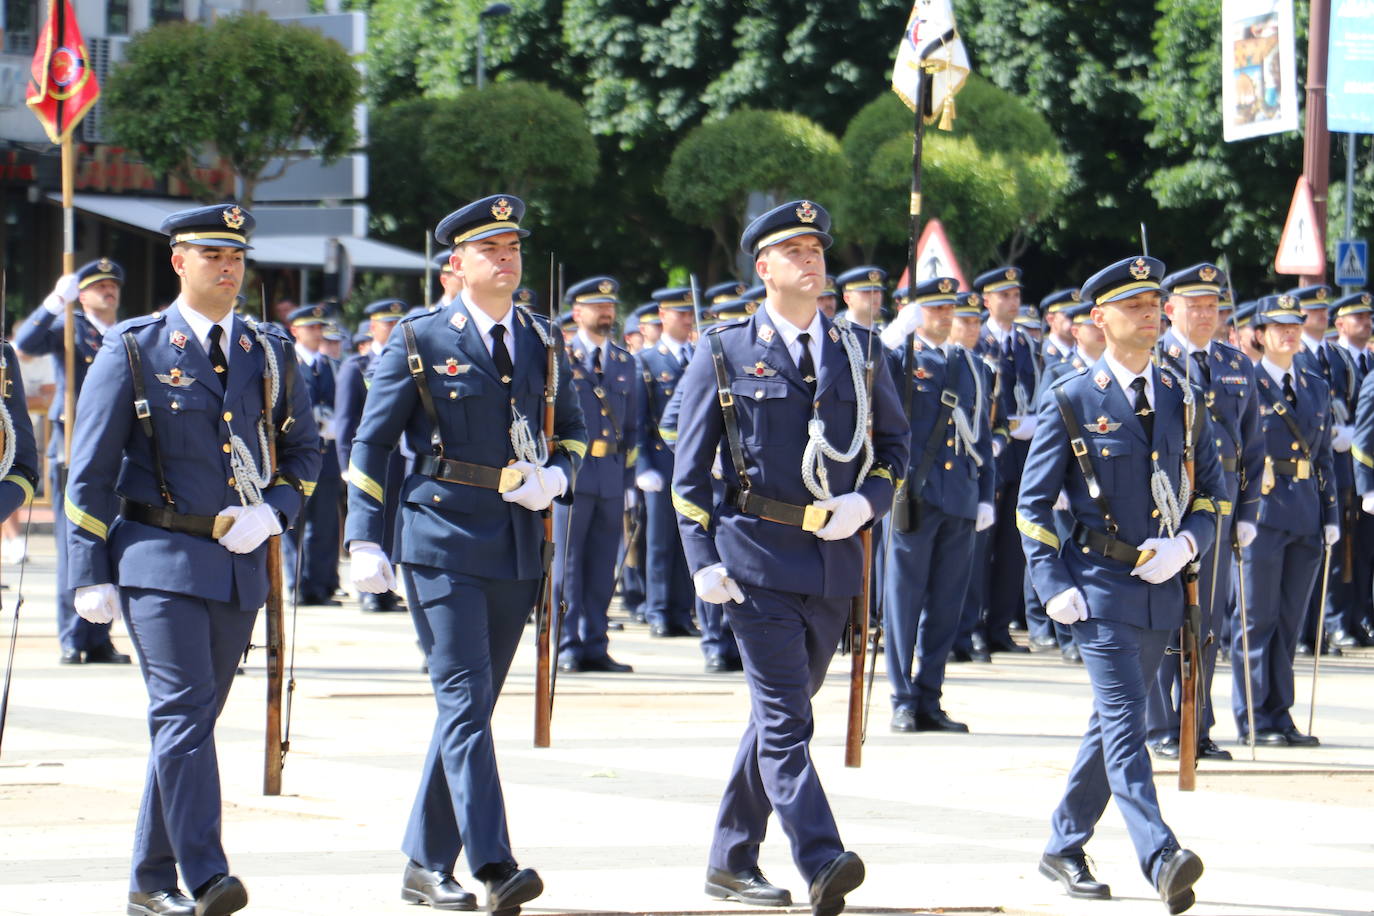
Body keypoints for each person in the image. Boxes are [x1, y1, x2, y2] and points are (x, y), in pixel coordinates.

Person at [64, 203, 320, 916]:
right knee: (180, 714)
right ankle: (207, 875)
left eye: (236, 255)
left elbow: (304, 450)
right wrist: (88, 570)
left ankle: (150, 883)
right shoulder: (135, 346)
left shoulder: (268, 351)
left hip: (238, 563)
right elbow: (87, 470)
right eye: (212, 254)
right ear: (180, 261)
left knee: (191, 727)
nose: (228, 267)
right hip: (158, 557)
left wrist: (275, 512)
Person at [345, 194, 583, 914]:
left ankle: (423, 863)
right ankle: (494, 861)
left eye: (513, 248)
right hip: (439, 535)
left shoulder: (542, 338)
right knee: (462, 701)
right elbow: (373, 441)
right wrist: (363, 534)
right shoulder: (421, 338)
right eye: (490, 250)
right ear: (458, 265)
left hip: (514, 540)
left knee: (470, 707)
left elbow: (574, 431)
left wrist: (558, 477)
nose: (505, 260)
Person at [672, 200, 909, 916]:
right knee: (785, 721)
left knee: (780, 717)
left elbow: (895, 451)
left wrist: (866, 505)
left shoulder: (860, 351)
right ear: (764, 268)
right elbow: (688, 476)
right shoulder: (724, 352)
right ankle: (822, 856)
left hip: (832, 563)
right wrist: (701, 559)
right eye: (794, 251)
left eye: (817, 250)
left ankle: (730, 859)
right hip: (755, 562)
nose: (812, 261)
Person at [1019, 254, 1221, 915]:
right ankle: (1160, 854)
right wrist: (1051, 582)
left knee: (1110, 725)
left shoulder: (1182, 398)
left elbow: (1216, 492)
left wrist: (1187, 542)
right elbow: (1033, 503)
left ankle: (1063, 844)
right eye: (1131, 304)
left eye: (1152, 302)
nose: (1148, 312)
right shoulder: (1073, 399)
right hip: (1101, 587)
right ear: (1099, 319)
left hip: (1162, 589)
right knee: (1128, 723)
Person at [1145, 263, 1262, 762]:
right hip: (1167, 499)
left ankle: (1198, 721)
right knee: (1162, 616)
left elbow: (1253, 445)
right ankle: (1159, 725)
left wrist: (1248, 511)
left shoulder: (1236, 363)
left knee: (1207, 616)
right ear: (1170, 310)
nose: (1207, 314)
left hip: (1218, 504)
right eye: (1195, 305)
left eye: (1213, 306)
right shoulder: (1155, 360)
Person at [878, 277, 994, 732]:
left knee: (947, 605)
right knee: (904, 602)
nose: (944, 318)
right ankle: (902, 698)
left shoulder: (973, 367)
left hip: (960, 497)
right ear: (916, 312)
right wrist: (888, 341)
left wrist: (985, 495)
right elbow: (866, 384)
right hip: (914, 495)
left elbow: (981, 439)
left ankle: (930, 695)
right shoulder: (901, 359)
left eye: (950, 310)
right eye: (935, 309)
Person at [14, 257, 133, 665]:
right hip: (73, 447)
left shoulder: (125, 334)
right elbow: (25, 345)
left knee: (109, 544)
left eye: (112, 286)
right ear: (80, 295)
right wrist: (52, 304)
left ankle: (100, 638)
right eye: (99, 286)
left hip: (116, 451)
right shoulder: (69, 329)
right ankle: (72, 637)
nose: (108, 291)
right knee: (74, 546)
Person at [1231, 293, 1337, 748]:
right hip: (1264, 513)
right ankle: (1255, 715)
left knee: (1291, 622)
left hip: (1305, 513)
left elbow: (1324, 457)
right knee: (1257, 619)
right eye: (1278, 327)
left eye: (1295, 325)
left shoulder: (1314, 384)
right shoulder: (1245, 384)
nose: (1289, 333)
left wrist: (1331, 513)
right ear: (1259, 335)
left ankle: (1282, 713)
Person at [554, 276, 639, 673]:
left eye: (610, 306)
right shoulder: (561, 358)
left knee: (604, 566)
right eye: (597, 306)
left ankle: (596, 643)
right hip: (573, 475)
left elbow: (634, 426)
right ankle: (567, 643)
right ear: (577, 313)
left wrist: (630, 480)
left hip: (610, 475)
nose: (607, 312)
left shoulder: (624, 362)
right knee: (569, 566)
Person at [973, 266, 1038, 653]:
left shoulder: (1026, 344)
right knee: (983, 546)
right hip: (990, 449)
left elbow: (1036, 389)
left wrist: (1031, 422)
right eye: (1004, 296)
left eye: (1015, 296)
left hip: (1021, 451)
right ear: (987, 300)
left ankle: (999, 627)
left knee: (1014, 544)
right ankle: (977, 624)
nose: (1012, 303)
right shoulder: (978, 340)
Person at [635, 286, 700, 637]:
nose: (687, 319)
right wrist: (642, 465)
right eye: (680, 313)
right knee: (659, 541)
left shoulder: (699, 355)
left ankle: (681, 609)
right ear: (662, 316)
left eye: (689, 313)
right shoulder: (646, 360)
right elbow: (639, 421)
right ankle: (658, 608)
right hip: (660, 465)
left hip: (692, 464)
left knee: (687, 538)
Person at [335, 298, 408, 613]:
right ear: (373, 327)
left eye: (397, 323)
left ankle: (387, 587)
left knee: (395, 522)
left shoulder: (411, 358)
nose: (393, 329)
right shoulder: (357, 366)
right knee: (370, 522)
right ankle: (367, 591)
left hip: (402, 456)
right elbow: (346, 419)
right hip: (368, 459)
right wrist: (345, 464)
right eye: (387, 324)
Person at [283, 304, 343, 606]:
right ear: (295, 330)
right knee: (293, 524)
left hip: (327, 457)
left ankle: (319, 587)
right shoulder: (287, 362)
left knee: (324, 526)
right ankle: (296, 585)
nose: (317, 333)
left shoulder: (330, 365)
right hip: (296, 456)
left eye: (319, 328)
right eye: (311, 328)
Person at [1336, 291, 1374, 646]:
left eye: (1368, 317)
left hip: (1358, 469)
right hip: (1347, 471)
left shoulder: (1369, 361)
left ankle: (1362, 616)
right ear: (1341, 324)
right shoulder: (1336, 359)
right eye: (1358, 317)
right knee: (1348, 552)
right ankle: (1343, 618)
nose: (1366, 323)